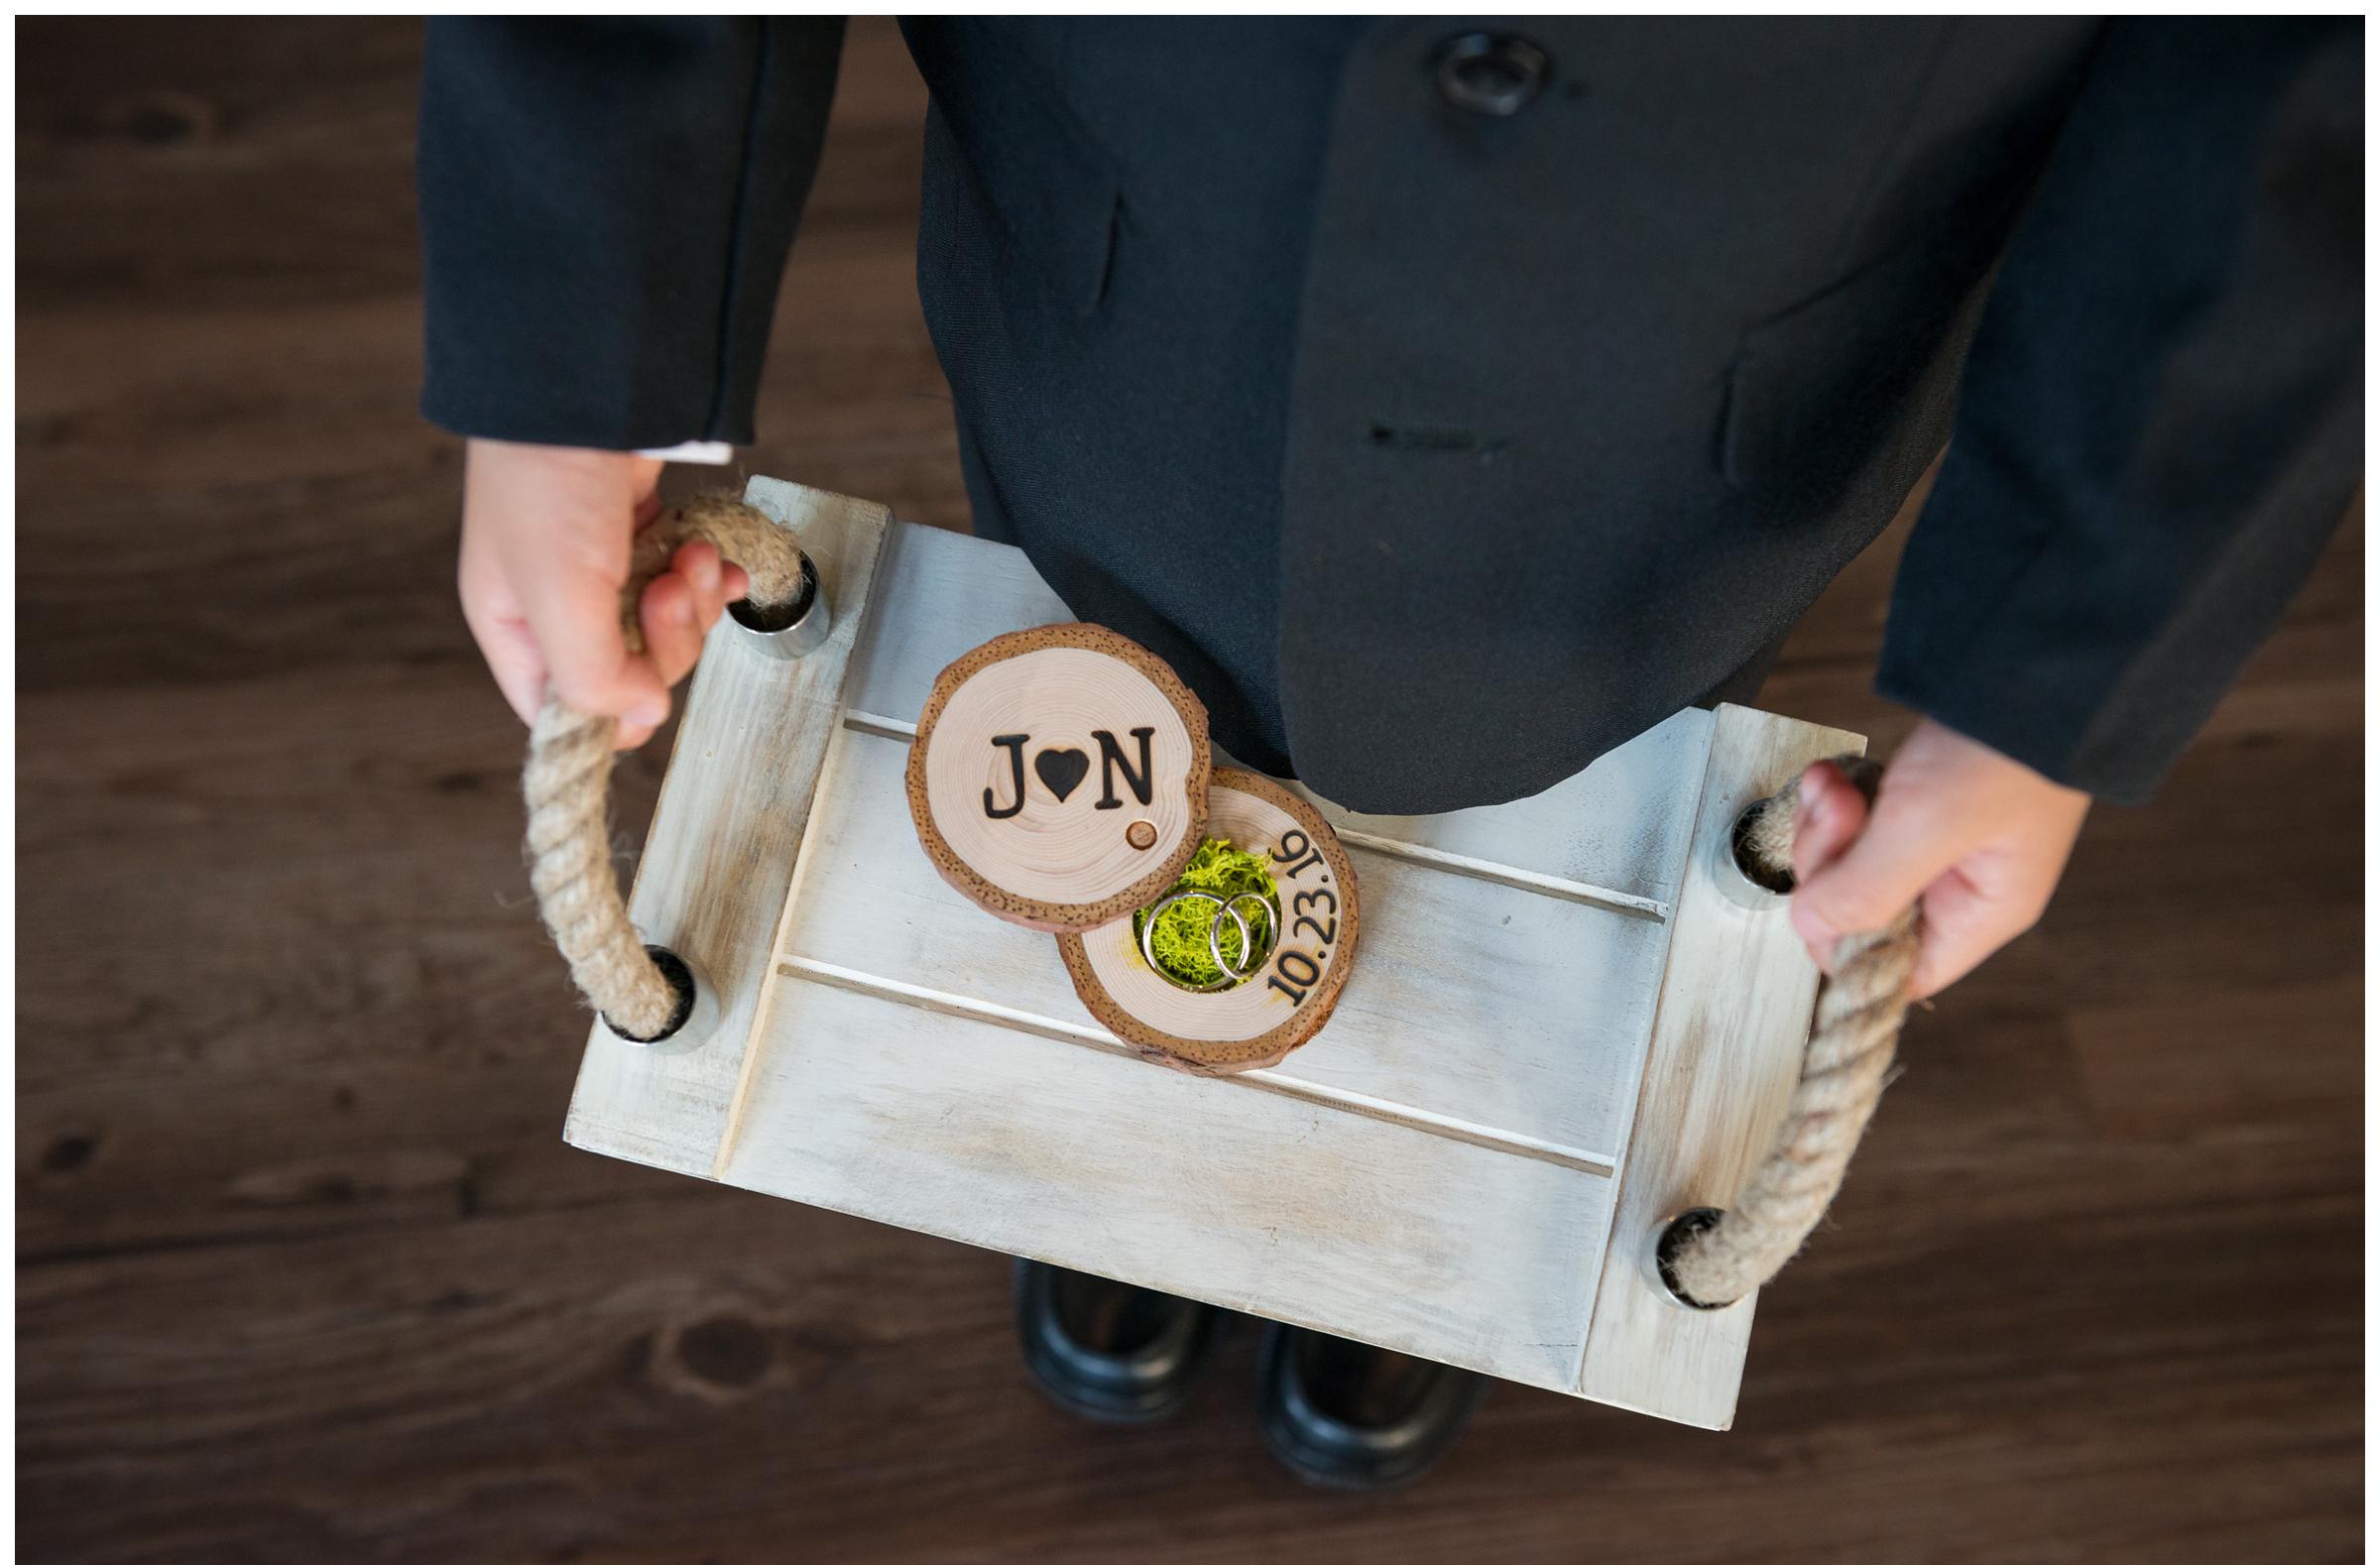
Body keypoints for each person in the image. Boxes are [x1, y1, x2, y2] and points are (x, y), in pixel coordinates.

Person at [418, 18, 2361, 1489]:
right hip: (1132, 296)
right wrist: (584, 352)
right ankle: (1151, 1172)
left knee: (1580, 781)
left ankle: (1354, 1245)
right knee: (1090, 712)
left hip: (1693, 432)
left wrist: (2053, 661)